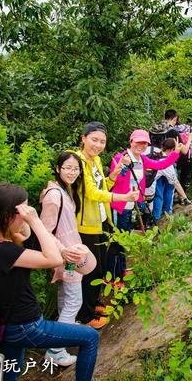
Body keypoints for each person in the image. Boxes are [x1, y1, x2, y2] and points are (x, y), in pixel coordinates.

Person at [0, 183, 99, 381]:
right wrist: (35, 221)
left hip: (7, 322)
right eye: (22, 211)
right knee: (90, 337)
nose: (26, 214)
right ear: (8, 215)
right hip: (26, 325)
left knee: (10, 373)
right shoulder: (5, 252)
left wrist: (27, 221)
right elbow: (52, 259)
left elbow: (23, 235)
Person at [74, 122, 139, 329]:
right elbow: (91, 193)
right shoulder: (79, 161)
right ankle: (85, 315)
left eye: (102, 141)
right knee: (90, 271)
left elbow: (104, 186)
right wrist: (125, 196)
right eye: (94, 140)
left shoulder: (97, 161)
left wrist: (114, 174)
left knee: (101, 266)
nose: (98, 145)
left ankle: (93, 303)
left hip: (102, 220)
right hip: (85, 225)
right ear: (83, 138)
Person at [39, 151, 97, 366]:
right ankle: (55, 350)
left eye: (76, 168)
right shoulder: (54, 196)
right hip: (66, 254)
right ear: (58, 169)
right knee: (74, 300)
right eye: (67, 168)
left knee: (66, 298)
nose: (72, 172)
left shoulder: (65, 191)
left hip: (69, 251)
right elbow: (45, 230)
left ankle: (61, 339)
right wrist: (62, 252)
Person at [109, 129, 181, 233]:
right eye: (138, 142)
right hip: (120, 204)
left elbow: (160, 165)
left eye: (145, 143)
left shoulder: (142, 159)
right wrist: (123, 167)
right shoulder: (120, 158)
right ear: (131, 142)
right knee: (119, 235)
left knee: (128, 233)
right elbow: (114, 181)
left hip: (134, 205)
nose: (141, 145)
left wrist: (175, 153)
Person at [164, 109, 192, 194]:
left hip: (156, 161)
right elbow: (185, 151)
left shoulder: (157, 128)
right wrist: (189, 139)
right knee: (170, 188)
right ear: (175, 118)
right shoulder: (173, 131)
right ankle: (181, 199)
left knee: (160, 188)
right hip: (170, 162)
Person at [152, 138, 182, 222]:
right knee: (160, 196)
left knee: (158, 194)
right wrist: (185, 198)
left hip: (149, 180)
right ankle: (160, 218)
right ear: (172, 149)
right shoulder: (166, 162)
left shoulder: (155, 152)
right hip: (150, 183)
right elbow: (175, 182)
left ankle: (154, 218)